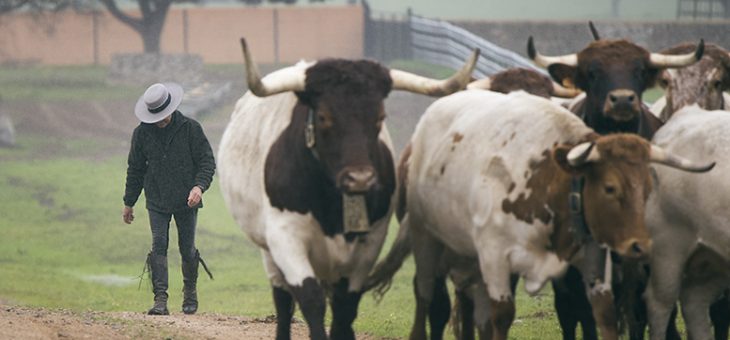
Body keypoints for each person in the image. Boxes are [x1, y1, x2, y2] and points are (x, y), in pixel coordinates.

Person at [122, 82, 215, 315]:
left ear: (171, 109)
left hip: (187, 199)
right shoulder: (141, 133)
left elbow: (207, 162)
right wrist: (129, 202)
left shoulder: (191, 129)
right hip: (157, 198)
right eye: (156, 117)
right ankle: (160, 299)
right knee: (159, 245)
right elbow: (135, 169)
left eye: (163, 116)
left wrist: (199, 187)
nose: (160, 121)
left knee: (187, 248)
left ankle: (190, 293)